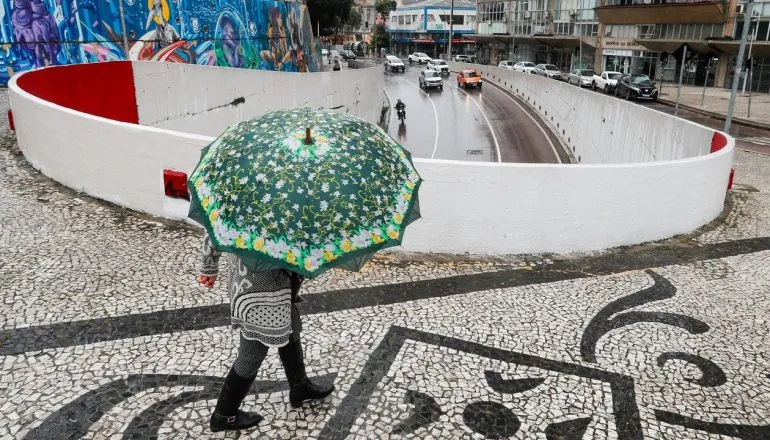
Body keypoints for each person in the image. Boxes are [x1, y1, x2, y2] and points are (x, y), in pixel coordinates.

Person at [198, 233, 334, 433]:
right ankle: (223, 415)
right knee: (252, 353)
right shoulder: (244, 201)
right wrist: (209, 266)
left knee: (290, 326)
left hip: (280, 280)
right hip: (255, 287)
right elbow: (215, 223)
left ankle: (299, 385)